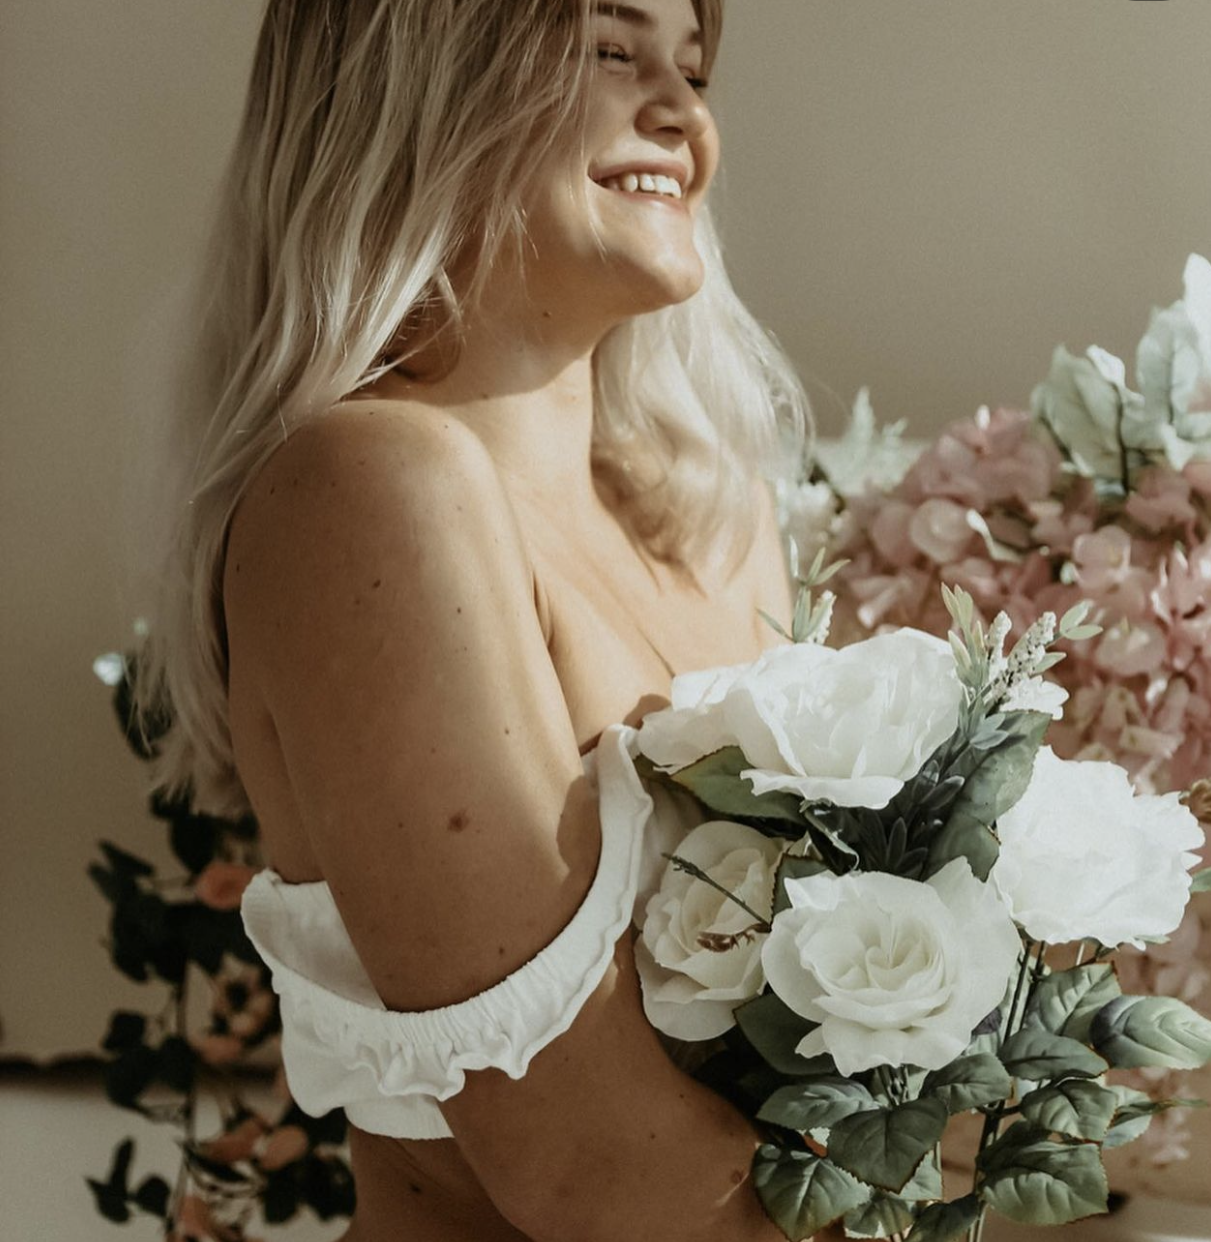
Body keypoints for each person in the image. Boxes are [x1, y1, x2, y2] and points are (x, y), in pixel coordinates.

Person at [143, 1, 830, 1237]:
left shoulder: (715, 523)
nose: (683, 114)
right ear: (422, 83)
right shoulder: (369, 489)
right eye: (611, 53)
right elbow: (597, 1173)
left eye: (694, 65)